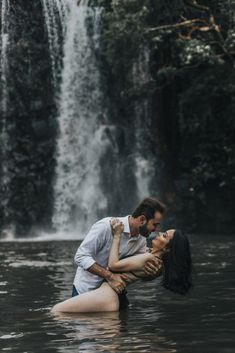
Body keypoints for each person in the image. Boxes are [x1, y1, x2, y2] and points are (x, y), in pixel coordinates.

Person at [51, 219, 192, 313]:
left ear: (168, 249)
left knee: (56, 312)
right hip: (111, 297)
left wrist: (117, 235)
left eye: (164, 236)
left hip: (106, 295)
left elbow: (113, 265)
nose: (159, 233)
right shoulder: (154, 261)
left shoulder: (149, 258)